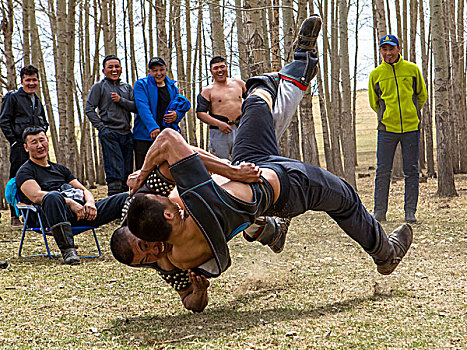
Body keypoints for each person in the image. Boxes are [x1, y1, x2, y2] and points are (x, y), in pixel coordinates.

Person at [115, 16, 413, 312]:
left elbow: (168, 153)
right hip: (282, 187)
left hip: (252, 163)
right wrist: (199, 290)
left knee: (257, 95)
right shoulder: (182, 242)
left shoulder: (160, 222)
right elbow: (169, 139)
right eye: (147, 257)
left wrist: (146, 174)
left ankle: (302, 60)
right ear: (167, 216)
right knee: (345, 198)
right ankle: (385, 254)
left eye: (145, 246)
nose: (153, 252)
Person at [16, 126, 128, 265]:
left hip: (79, 213)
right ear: (26, 147)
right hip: (49, 215)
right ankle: (68, 250)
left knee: (123, 199)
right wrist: (69, 202)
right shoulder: (25, 171)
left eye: (42, 140)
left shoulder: (60, 169)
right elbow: (36, 196)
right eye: (34, 142)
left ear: (48, 141)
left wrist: (90, 204)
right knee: (52, 196)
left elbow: (84, 190)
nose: (39, 146)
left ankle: (135, 241)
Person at [368, 34, 428, 223]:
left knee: (411, 170)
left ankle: (410, 212)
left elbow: (422, 95)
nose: (388, 53)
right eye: (384, 49)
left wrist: (413, 114)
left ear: (398, 49)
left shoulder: (412, 70)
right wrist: (386, 116)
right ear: (380, 51)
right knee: (383, 171)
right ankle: (379, 212)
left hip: (411, 128)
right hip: (386, 129)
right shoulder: (376, 75)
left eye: (391, 49)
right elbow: (374, 102)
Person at [0, 65, 49, 227]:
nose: (31, 83)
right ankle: (15, 216)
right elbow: (4, 120)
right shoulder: (12, 98)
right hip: (20, 148)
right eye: (28, 80)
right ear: (22, 81)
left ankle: (33, 216)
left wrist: (41, 139)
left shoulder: (37, 101)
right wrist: (15, 141)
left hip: (36, 150)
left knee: (37, 179)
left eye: (34, 80)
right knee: (18, 179)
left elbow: (44, 121)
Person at [85, 55, 137, 196]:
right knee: (115, 170)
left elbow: (135, 107)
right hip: (110, 133)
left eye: (117, 66)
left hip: (126, 133)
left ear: (120, 69)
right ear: (104, 70)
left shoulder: (127, 88)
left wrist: (121, 101)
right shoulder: (99, 87)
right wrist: (102, 128)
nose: (114, 69)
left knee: (127, 171)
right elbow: (89, 109)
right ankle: (113, 203)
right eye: (110, 67)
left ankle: (126, 203)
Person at [133, 57, 191, 169]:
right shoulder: (141, 85)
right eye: (154, 70)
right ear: (149, 71)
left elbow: (178, 106)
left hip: (167, 137)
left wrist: (176, 115)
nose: (158, 73)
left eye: (161, 69)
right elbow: (143, 107)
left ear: (165, 70)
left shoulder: (172, 87)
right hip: (145, 136)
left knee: (166, 170)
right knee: (143, 170)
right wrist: (153, 127)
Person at [196, 57, 246, 159]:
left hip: (240, 129)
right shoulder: (207, 91)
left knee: (244, 161)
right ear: (211, 71)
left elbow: (251, 101)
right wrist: (219, 124)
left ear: (227, 67)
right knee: (220, 164)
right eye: (216, 68)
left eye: (222, 67)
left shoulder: (239, 84)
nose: (219, 70)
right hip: (219, 133)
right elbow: (200, 113)